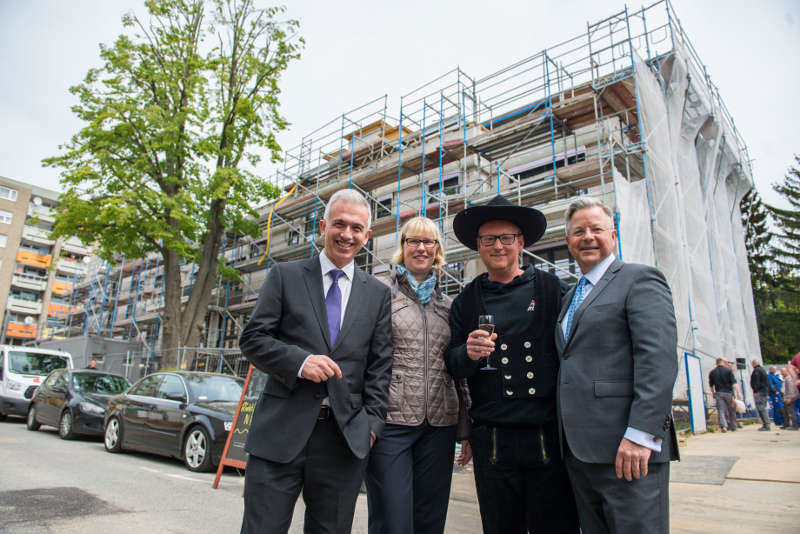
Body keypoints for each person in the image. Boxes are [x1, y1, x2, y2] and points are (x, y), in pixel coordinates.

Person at [238, 189, 393, 534]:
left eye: (356, 228)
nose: (346, 234)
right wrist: (299, 361)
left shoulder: (378, 294)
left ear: (367, 236)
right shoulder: (285, 275)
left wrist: (371, 427)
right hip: (280, 433)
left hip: (343, 440)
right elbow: (252, 339)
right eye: (339, 224)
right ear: (323, 226)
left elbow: (380, 367)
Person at [444, 195, 579, 534]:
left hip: (547, 435)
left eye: (506, 238)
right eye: (489, 239)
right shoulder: (466, 300)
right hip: (492, 439)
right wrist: (468, 354)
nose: (498, 246)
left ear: (520, 242)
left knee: (557, 525)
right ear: (478, 245)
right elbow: (453, 366)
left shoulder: (553, 289)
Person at [556, 197, 679, 534]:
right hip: (581, 455)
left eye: (596, 229)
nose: (588, 237)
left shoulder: (640, 280)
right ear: (568, 242)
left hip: (628, 449)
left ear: (613, 235)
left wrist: (642, 434)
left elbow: (658, 360)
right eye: (578, 231)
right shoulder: (570, 297)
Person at [366, 216, 470, 534]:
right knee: (392, 519)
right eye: (414, 241)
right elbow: (364, 358)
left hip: (439, 426)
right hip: (390, 423)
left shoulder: (450, 306)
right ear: (402, 247)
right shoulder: (380, 295)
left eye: (429, 242)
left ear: (437, 249)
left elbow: (459, 370)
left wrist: (465, 429)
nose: (421, 248)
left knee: (429, 520)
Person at [708, 358, 738, 432]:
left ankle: (724, 426)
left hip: (718, 393)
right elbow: (734, 383)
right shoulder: (728, 371)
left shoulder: (712, 372)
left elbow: (711, 385)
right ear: (722, 362)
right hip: (728, 393)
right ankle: (733, 426)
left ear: (716, 363)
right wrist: (738, 392)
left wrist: (713, 393)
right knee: (731, 409)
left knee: (721, 410)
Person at [750, 360, 771, 431]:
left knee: (761, 408)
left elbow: (756, 381)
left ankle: (766, 425)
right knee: (763, 407)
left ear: (753, 364)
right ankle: (766, 424)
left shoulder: (757, 371)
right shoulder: (763, 370)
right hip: (764, 391)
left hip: (760, 392)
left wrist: (755, 391)